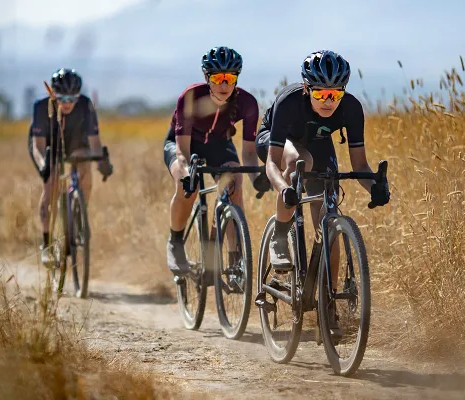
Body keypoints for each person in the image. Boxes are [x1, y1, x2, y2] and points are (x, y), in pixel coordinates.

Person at [256, 49, 390, 273]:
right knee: (301, 159)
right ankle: (279, 237)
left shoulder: (351, 108)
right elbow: (271, 163)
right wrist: (283, 189)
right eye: (320, 95)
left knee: (327, 219)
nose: (328, 102)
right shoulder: (289, 102)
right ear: (307, 89)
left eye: (335, 95)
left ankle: (328, 303)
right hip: (274, 140)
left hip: (317, 142)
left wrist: (375, 187)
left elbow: (360, 167)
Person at [164, 46, 270, 275]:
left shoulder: (247, 103)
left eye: (230, 78)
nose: (224, 85)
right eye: (218, 78)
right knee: (187, 189)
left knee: (234, 185)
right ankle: (175, 242)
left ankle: (234, 257)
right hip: (183, 145)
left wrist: (255, 177)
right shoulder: (191, 97)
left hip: (220, 145)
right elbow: (182, 150)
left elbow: (249, 154)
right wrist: (186, 175)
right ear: (207, 78)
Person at [28, 68, 113, 267]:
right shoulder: (41, 107)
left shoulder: (85, 105)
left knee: (85, 170)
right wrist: (44, 167)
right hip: (48, 146)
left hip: (75, 143)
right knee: (53, 183)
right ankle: (47, 244)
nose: (67, 103)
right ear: (53, 95)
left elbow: (94, 143)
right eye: (62, 98)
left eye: (72, 98)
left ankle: (79, 214)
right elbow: (37, 146)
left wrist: (102, 163)